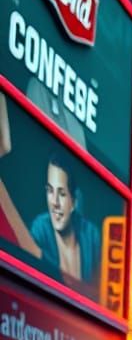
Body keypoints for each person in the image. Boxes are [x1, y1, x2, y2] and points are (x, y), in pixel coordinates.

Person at [0, 99, 100, 293]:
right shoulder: (41, 228)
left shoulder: (90, 237)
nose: (54, 202)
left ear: (74, 201)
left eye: (61, 193)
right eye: (50, 190)